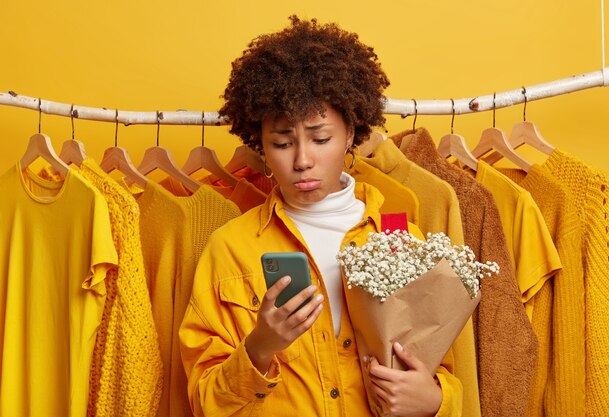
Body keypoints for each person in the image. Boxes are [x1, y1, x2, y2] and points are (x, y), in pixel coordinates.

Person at [179, 16, 462, 417]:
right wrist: (260, 346)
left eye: (321, 138)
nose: (302, 160)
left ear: (351, 133)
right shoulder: (229, 249)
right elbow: (205, 402)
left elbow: (442, 369)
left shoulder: (401, 236)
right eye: (281, 142)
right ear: (259, 144)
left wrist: (435, 401)